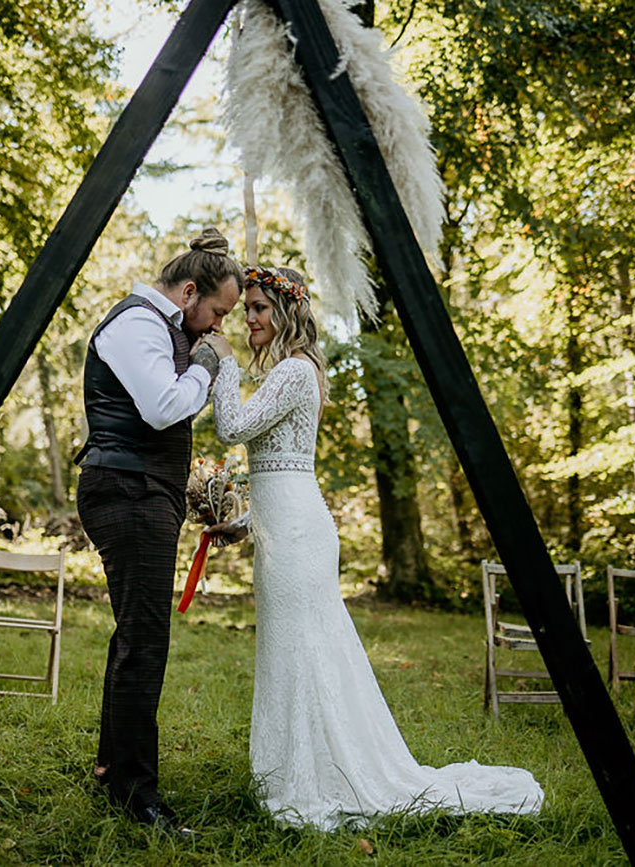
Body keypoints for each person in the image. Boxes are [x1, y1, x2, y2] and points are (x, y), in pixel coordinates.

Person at [200, 266, 544, 829]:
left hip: (297, 532)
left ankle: (317, 778)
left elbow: (232, 428)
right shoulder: (291, 372)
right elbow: (278, 466)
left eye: (259, 308)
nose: (250, 318)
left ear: (286, 312)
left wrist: (224, 358)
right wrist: (240, 521)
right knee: (295, 649)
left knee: (303, 649)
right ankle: (294, 770)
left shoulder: (292, 370)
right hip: (281, 524)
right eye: (247, 310)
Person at [73, 228, 242, 834]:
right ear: (189, 291)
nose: (217, 329)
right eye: (217, 313)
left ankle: (110, 771)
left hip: (144, 493)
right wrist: (205, 362)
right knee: (146, 644)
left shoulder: (167, 325)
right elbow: (163, 407)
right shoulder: (139, 322)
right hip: (126, 491)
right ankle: (138, 798)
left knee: (134, 637)